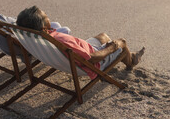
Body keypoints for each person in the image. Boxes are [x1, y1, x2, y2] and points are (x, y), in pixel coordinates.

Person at [16, 6, 145, 79]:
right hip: (93, 63)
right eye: (46, 18)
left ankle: (129, 56)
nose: (49, 18)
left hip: (81, 50)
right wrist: (112, 47)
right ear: (43, 28)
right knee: (121, 43)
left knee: (103, 36)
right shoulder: (61, 41)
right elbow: (91, 59)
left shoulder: (36, 38)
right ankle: (131, 61)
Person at [0, 0, 70, 56]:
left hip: (23, 39)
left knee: (56, 25)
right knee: (65, 29)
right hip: (31, 46)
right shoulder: (1, 27)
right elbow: (22, 38)